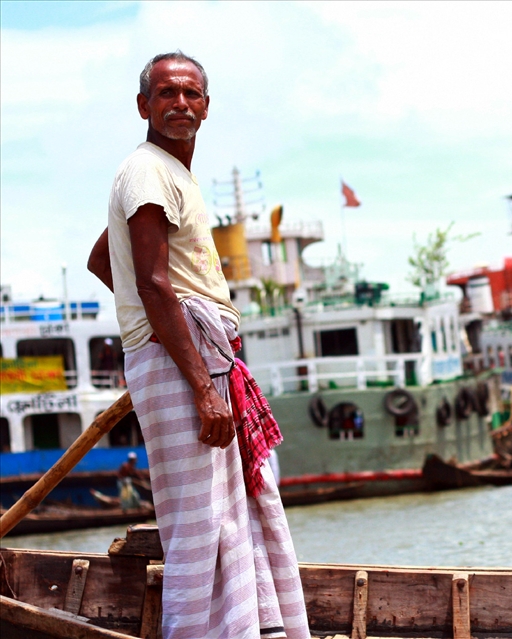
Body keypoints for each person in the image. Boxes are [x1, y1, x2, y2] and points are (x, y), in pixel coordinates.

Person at [87, 51, 309, 639]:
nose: (180, 103)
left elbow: (102, 259)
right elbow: (156, 282)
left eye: (191, 94)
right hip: (183, 367)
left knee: (230, 522)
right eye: (166, 94)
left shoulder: (169, 174)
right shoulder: (146, 170)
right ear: (144, 106)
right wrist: (193, 375)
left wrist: (167, 318)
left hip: (191, 359)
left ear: (206, 107)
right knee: (200, 529)